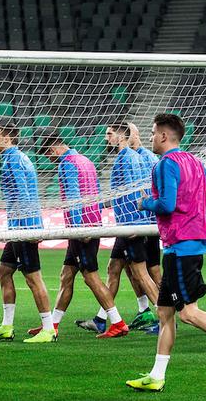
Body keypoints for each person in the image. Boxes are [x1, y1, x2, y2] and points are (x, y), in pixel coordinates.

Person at [126, 114, 206, 392]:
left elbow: (166, 204)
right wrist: (203, 219)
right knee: (164, 312)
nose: (151, 138)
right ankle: (157, 376)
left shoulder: (165, 165)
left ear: (164, 136)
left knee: (188, 313)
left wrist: (143, 203)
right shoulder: (195, 161)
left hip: (181, 246)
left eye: (153, 133)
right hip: (185, 245)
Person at [27, 132, 128, 339]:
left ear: (53, 149)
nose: (50, 160)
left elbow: (73, 199)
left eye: (49, 156)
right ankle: (52, 325)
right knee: (66, 275)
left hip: (81, 229)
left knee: (91, 278)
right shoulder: (86, 161)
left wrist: (79, 228)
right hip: (92, 224)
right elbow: (97, 194)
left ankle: (118, 322)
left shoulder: (67, 164)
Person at [0, 124, 55, 344]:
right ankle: (7, 326)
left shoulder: (13, 160)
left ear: (7, 139)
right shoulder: (19, 158)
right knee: (3, 272)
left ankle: (48, 328)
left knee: (33, 278)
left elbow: (24, 195)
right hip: (19, 226)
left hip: (23, 227)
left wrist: (29, 228)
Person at [90, 122, 157, 338]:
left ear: (121, 136)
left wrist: (137, 224)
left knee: (142, 273)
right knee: (113, 268)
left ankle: (164, 319)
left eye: (109, 134)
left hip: (131, 225)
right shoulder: (131, 157)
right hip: (127, 225)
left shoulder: (127, 158)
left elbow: (133, 193)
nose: (106, 138)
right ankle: (103, 319)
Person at [125, 122, 161, 331]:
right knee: (129, 269)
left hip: (145, 222)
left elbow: (149, 190)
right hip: (136, 222)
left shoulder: (146, 158)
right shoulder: (131, 157)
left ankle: (165, 312)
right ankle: (144, 310)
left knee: (152, 271)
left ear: (134, 136)